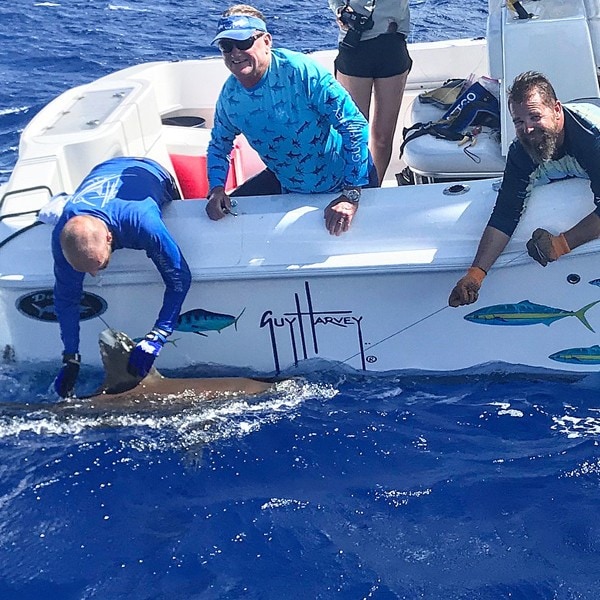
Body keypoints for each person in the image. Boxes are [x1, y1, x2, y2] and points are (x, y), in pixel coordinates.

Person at [206, 4, 377, 236]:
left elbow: (354, 125)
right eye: (227, 46)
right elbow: (219, 145)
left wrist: (351, 194)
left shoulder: (301, 71)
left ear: (266, 41)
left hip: (349, 184)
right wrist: (216, 189)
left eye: (245, 43)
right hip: (292, 189)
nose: (235, 53)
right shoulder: (230, 97)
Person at [449, 71, 600, 307]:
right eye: (519, 121)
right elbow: (505, 215)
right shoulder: (522, 150)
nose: (528, 129)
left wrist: (562, 244)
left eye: (534, 116)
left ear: (557, 110)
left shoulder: (591, 139)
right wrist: (476, 275)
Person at [52, 157, 192, 397]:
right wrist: (70, 358)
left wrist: (158, 336)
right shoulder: (64, 235)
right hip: (100, 167)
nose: (94, 275)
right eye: (85, 270)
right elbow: (66, 298)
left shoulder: (144, 224)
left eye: (99, 264)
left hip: (150, 171)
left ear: (109, 238)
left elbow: (180, 278)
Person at [328, 0, 412, 185]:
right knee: (352, 133)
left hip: (392, 46)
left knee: (382, 137)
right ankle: (351, 187)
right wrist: (341, 10)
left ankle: (374, 187)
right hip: (354, 47)